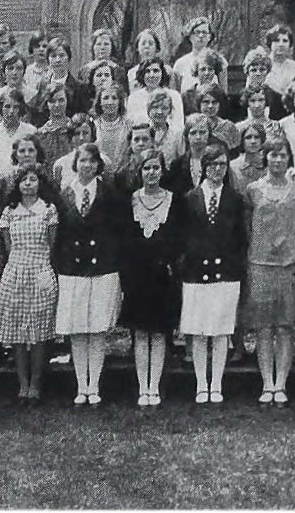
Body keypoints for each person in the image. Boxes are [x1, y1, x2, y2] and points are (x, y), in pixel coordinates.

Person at [241, 137, 295, 407]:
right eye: (273, 155)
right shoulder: (253, 190)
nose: (278, 160)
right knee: (263, 326)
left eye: (283, 155)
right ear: (265, 157)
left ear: (289, 159)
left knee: (285, 325)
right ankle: (266, 383)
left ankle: (281, 383)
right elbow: (247, 226)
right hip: (260, 264)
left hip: (289, 265)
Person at [53, 144, 122, 406]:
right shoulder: (64, 195)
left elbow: (117, 233)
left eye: (92, 161)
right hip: (73, 272)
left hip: (102, 270)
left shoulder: (109, 194)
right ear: (75, 164)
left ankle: (95, 386)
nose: (87, 165)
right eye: (82, 160)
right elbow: (59, 237)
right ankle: (81, 385)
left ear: (98, 165)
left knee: (97, 330)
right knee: (78, 330)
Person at [179, 144, 247, 404]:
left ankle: (216, 383)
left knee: (220, 331)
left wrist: (235, 267)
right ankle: (201, 384)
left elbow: (240, 238)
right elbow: (183, 238)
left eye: (222, 165)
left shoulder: (234, 199)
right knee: (198, 331)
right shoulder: (190, 198)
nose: (217, 169)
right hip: (196, 273)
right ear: (204, 167)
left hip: (226, 273)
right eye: (212, 164)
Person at [116, 149, 182, 407]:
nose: (151, 172)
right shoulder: (130, 201)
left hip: (163, 276)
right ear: (139, 172)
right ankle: (142, 386)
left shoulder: (174, 200)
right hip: (137, 277)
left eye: (156, 167)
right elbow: (124, 241)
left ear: (162, 171)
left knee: (160, 333)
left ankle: (155, 386)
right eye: (146, 168)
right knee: (141, 333)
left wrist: (169, 262)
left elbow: (179, 239)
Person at [0, 162, 60, 406]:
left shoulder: (48, 209)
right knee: (18, 332)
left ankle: (36, 383)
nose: (28, 183)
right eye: (24, 180)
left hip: (41, 271)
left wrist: (42, 268)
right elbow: (7, 246)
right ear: (17, 185)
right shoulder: (10, 211)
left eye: (33, 179)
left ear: (40, 183)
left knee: (40, 331)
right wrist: (17, 266)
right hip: (16, 273)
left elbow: (52, 245)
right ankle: (22, 384)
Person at [0, 88, 38, 175]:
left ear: (21, 109)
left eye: (16, 107)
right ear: (1, 108)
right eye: (7, 106)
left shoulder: (30, 131)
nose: (11, 111)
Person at [232, 46, 287, 122]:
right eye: (253, 70)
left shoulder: (276, 98)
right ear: (247, 72)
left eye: (262, 70)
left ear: (267, 72)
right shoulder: (238, 98)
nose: (258, 74)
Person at [174, 17, 229, 92]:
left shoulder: (219, 61)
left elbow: (224, 92)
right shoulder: (180, 64)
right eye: (197, 32)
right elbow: (175, 94)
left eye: (204, 32)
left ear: (209, 37)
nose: (200, 36)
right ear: (190, 36)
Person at [126, 28, 178, 93]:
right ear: (137, 48)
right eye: (143, 43)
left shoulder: (167, 70)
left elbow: (172, 94)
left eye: (150, 43)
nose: (147, 46)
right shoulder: (132, 73)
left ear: (157, 48)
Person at [93, 84, 132, 169]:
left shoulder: (129, 125)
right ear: (100, 102)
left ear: (120, 102)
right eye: (105, 98)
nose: (110, 102)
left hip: (123, 171)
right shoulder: (94, 125)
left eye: (114, 98)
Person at [263, 24, 295, 97]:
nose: (281, 44)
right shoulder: (261, 64)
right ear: (270, 43)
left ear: (290, 44)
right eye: (276, 40)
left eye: (285, 41)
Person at [24, 30, 50, 102]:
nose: (41, 49)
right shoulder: (26, 72)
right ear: (32, 49)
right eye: (37, 46)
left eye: (44, 46)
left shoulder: (53, 71)